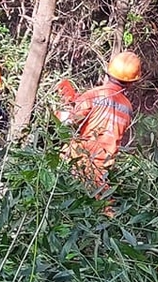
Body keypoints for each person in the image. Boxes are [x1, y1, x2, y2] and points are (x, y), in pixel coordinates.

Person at [55, 50, 141, 186]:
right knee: (101, 203)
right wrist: (77, 100)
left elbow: (69, 121)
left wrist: (56, 113)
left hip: (79, 162)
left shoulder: (93, 95)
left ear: (108, 72)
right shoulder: (128, 107)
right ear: (131, 83)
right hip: (103, 168)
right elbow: (107, 114)